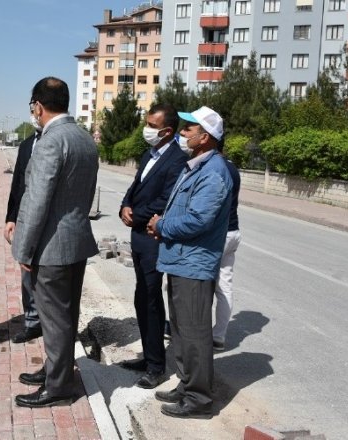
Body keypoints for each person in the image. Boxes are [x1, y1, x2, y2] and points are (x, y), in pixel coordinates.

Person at [11, 77, 99, 408]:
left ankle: (59, 386)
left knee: (54, 318)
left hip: (51, 247)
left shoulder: (50, 141)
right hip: (75, 241)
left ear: (37, 105)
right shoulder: (84, 139)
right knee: (66, 316)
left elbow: (36, 200)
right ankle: (55, 369)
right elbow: (86, 194)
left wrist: (23, 248)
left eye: (32, 106)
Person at [146, 106, 233, 419]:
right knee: (181, 331)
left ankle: (198, 399)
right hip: (181, 261)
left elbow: (199, 220)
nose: (182, 133)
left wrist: (161, 226)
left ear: (205, 137)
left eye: (188, 129)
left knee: (195, 334)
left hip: (195, 264)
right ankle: (187, 385)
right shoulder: (196, 165)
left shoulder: (214, 172)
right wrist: (163, 221)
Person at [117, 104, 188, 389]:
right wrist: (124, 206)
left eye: (151, 125)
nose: (146, 129)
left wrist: (138, 214)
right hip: (137, 236)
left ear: (167, 131)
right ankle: (148, 356)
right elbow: (135, 187)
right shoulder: (149, 154)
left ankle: (157, 366)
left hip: (152, 238)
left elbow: (166, 201)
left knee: (151, 298)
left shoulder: (176, 159)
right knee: (141, 298)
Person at [4, 128, 43, 344]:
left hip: (49, 222)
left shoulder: (57, 140)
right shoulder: (27, 144)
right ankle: (32, 322)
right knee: (26, 273)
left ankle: (49, 324)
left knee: (47, 276)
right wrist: (11, 217)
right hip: (25, 219)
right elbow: (18, 183)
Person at [213, 138, 241, 352]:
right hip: (233, 232)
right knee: (224, 286)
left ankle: (195, 333)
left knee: (200, 286)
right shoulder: (232, 168)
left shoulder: (217, 168)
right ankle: (219, 336)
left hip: (219, 235)